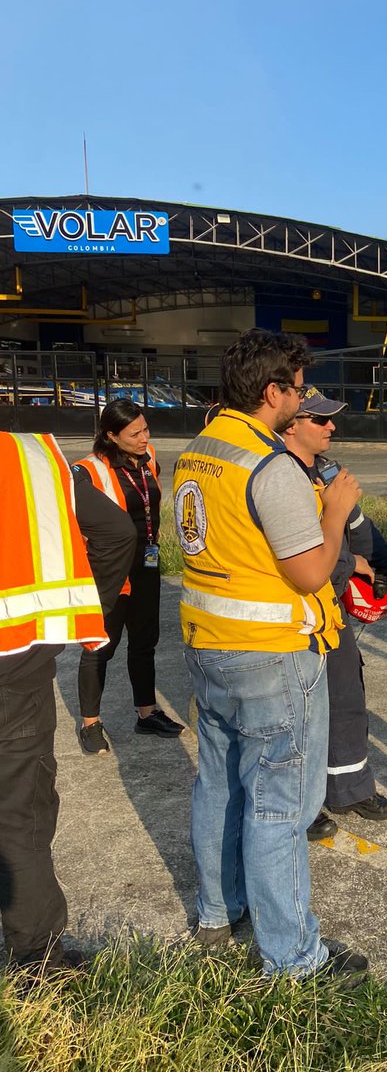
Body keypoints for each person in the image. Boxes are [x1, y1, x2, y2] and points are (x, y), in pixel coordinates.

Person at [173, 328, 368, 982]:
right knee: (280, 808)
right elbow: (312, 572)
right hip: (270, 656)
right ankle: (293, 959)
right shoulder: (270, 466)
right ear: (270, 394)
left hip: (208, 648)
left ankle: (217, 913)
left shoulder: (200, 452)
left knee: (219, 786)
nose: (303, 398)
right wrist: (337, 510)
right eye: (296, 388)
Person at [0, 432, 135, 971]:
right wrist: (87, 605)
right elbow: (118, 533)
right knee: (19, 808)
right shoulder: (32, 456)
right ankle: (35, 954)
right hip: (15, 663)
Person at [281, 387, 387, 840]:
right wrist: (350, 564)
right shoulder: (280, 477)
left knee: (346, 699)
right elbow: (290, 553)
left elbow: (360, 529)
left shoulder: (328, 474)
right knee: (297, 712)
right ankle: (304, 801)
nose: (331, 426)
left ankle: (350, 788)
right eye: (319, 420)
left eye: (331, 418)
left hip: (330, 614)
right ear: (290, 423)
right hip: (290, 615)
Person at [74, 398, 183, 754]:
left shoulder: (149, 457)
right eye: (133, 433)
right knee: (100, 646)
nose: (143, 437)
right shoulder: (86, 472)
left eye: (145, 429)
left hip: (147, 564)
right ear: (111, 435)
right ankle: (90, 724)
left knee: (144, 641)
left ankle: (146, 712)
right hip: (110, 571)